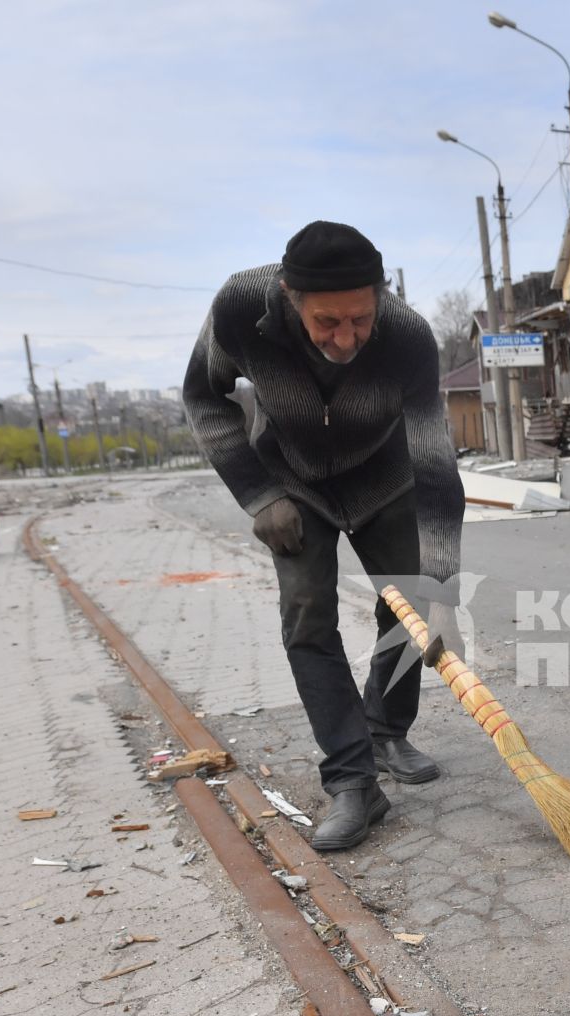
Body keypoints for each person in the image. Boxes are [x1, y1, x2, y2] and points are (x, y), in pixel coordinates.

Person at [184, 221, 464, 852]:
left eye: (360, 319)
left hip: (385, 476)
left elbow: (434, 457)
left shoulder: (407, 336)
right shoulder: (238, 308)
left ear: (380, 295)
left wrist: (442, 577)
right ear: (290, 298)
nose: (347, 338)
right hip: (293, 483)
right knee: (307, 616)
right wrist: (259, 494)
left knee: (411, 604)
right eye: (327, 323)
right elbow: (203, 397)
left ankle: (388, 729)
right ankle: (353, 781)